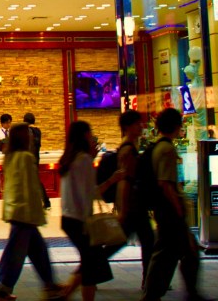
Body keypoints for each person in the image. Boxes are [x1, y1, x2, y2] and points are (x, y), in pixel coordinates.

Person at [141, 108, 212, 301]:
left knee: (171, 253)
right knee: (180, 253)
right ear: (176, 126)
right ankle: (177, 294)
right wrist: (179, 210)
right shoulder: (167, 149)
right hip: (170, 211)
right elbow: (165, 184)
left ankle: (158, 293)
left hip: (164, 211)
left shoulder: (158, 147)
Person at [0, 123, 66, 301]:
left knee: (38, 251)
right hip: (24, 215)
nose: (32, 137)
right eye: (29, 134)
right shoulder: (25, 157)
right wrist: (36, 213)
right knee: (14, 255)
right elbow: (29, 188)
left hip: (19, 212)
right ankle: (1, 290)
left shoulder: (10, 156)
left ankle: (50, 285)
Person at [59, 121, 122, 301]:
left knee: (89, 262)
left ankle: (65, 294)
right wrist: (112, 180)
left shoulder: (69, 159)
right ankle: (65, 294)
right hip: (81, 221)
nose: (92, 137)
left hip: (68, 218)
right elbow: (90, 193)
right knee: (90, 265)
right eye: (90, 133)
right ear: (84, 136)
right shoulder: (83, 160)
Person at [104, 110, 154, 290]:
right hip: (133, 206)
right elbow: (125, 180)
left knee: (130, 241)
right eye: (137, 124)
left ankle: (149, 280)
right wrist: (123, 209)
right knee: (145, 241)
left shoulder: (129, 147)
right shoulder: (128, 150)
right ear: (127, 127)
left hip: (133, 205)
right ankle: (88, 270)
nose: (141, 126)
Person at [24, 113, 52, 209]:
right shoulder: (38, 131)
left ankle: (44, 201)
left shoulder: (27, 131)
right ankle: (44, 201)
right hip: (36, 158)